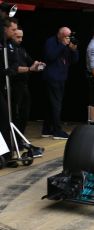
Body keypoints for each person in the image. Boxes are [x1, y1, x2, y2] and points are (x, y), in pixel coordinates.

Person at [9, 27, 44, 149]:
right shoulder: (9, 50)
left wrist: (37, 64)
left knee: (25, 114)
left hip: (24, 85)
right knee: (16, 114)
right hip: (14, 86)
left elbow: (30, 61)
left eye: (21, 37)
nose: (20, 39)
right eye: (17, 37)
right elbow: (15, 68)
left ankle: (20, 138)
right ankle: (14, 141)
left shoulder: (21, 50)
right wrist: (30, 69)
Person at [41, 27, 79, 139]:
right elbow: (50, 56)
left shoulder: (67, 44)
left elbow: (74, 60)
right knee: (56, 104)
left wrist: (74, 50)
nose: (68, 39)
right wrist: (62, 45)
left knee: (51, 105)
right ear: (61, 35)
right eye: (66, 36)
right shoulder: (51, 42)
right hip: (52, 77)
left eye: (69, 36)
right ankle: (57, 131)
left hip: (61, 77)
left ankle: (46, 129)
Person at [0, 17, 18, 165]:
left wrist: (11, 68)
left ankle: (6, 155)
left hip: (3, 86)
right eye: (12, 29)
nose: (15, 32)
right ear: (5, 28)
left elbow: (15, 61)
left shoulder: (9, 44)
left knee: (5, 119)